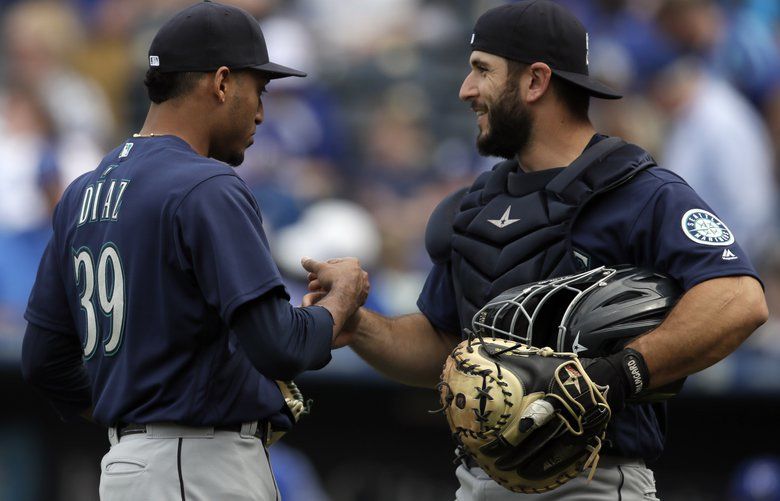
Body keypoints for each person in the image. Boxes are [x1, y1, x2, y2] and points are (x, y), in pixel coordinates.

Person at [304, 1, 768, 499]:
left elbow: (740, 299)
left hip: (592, 479)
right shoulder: (474, 206)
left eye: (482, 69)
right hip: (478, 481)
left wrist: (623, 371)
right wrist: (359, 325)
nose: (466, 89)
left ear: (535, 81)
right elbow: (445, 348)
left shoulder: (640, 192)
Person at [20, 2, 369, 500]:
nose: (262, 111)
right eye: (259, 89)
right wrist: (342, 300)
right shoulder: (206, 185)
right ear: (222, 83)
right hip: (198, 467)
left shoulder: (82, 190)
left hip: (127, 467)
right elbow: (282, 347)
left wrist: (136, 412)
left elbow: (43, 362)